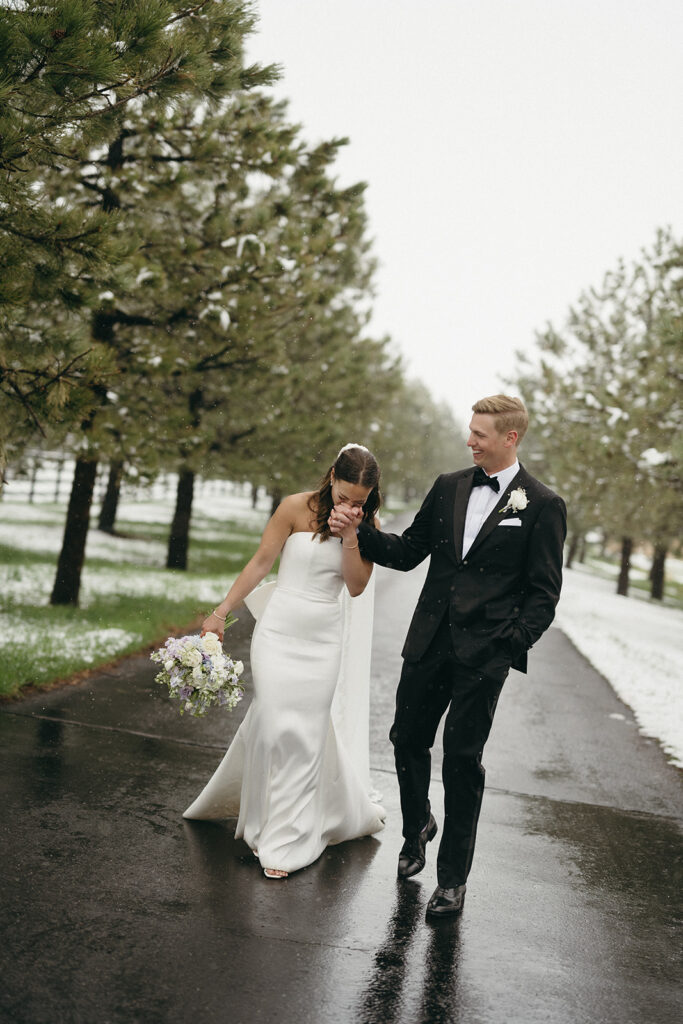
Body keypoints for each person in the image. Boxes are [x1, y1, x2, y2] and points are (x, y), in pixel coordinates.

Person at [329, 395, 566, 916]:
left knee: (462, 761)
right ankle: (417, 827)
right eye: (470, 430)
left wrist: (507, 646)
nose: (470, 440)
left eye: (480, 433)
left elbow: (544, 594)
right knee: (406, 738)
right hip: (429, 641)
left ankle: (452, 881)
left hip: (484, 657)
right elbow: (411, 550)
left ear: (511, 438)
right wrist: (357, 533)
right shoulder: (448, 486)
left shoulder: (543, 505)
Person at [183, 445, 386, 879]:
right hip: (277, 634)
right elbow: (261, 563)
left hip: (323, 640)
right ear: (332, 476)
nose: (351, 505)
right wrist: (221, 612)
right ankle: (262, 819)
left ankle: (288, 837)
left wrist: (351, 536)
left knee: (306, 734)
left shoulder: (367, 526)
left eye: (360, 500)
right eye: (346, 495)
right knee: (276, 726)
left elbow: (355, 587)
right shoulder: (295, 507)